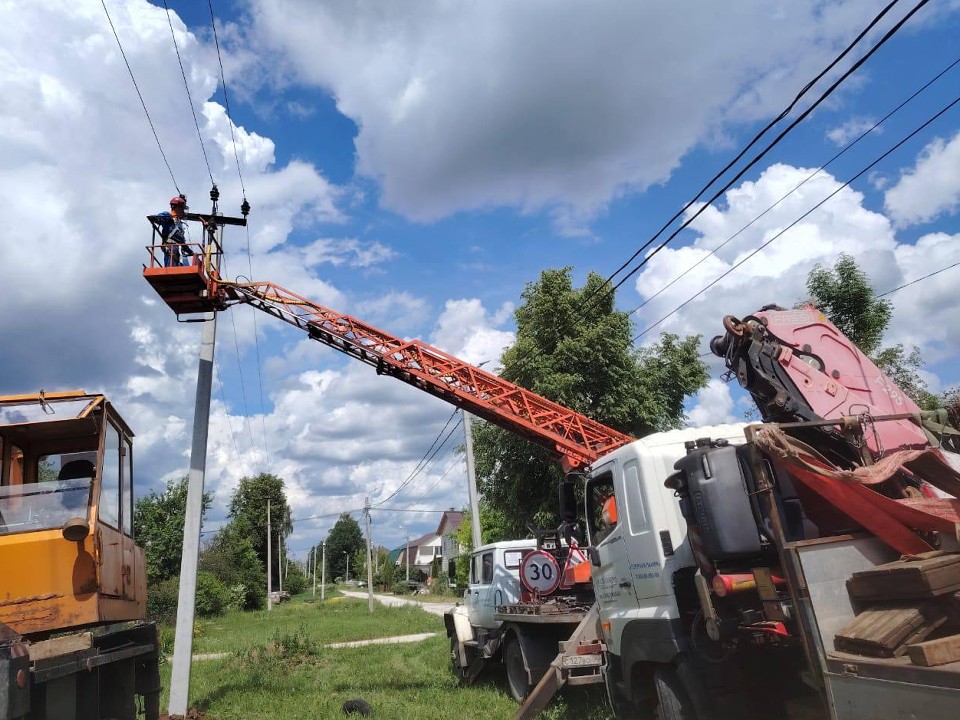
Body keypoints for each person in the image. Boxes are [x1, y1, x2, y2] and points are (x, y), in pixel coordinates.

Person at [155, 196, 192, 267]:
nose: (183, 211)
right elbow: (160, 217)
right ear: (176, 207)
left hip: (180, 249)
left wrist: (190, 251)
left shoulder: (179, 224)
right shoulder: (168, 217)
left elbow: (181, 240)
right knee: (170, 267)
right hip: (171, 247)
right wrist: (161, 219)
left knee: (185, 268)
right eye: (182, 208)